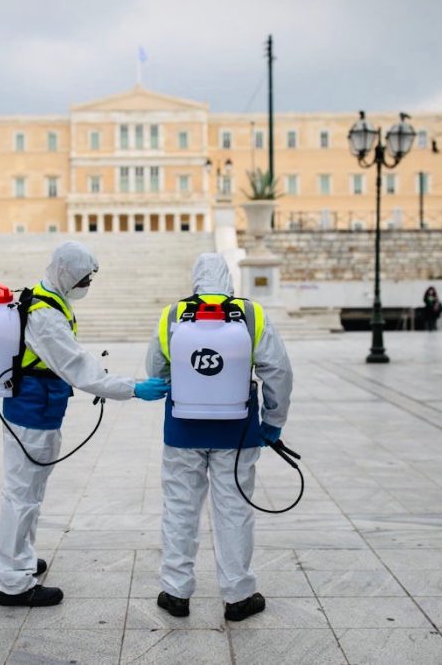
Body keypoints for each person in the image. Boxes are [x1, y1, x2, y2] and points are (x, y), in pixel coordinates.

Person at [0, 240, 169, 607]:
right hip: (32, 413)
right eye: (83, 278)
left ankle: (13, 558)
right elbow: (77, 368)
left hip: (37, 409)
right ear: (66, 274)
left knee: (24, 492)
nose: (87, 284)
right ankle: (13, 583)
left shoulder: (47, 298)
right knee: (22, 495)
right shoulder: (45, 315)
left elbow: (69, 358)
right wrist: (132, 387)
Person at [145, 253, 293, 622]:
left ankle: (176, 592)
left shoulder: (173, 315)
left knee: (180, 508)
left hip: (183, 430)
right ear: (228, 280)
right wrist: (273, 420)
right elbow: (278, 370)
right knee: (234, 509)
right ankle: (239, 595)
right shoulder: (251, 315)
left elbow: (155, 369)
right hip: (237, 431)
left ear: (195, 279)